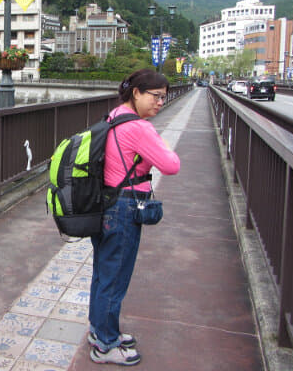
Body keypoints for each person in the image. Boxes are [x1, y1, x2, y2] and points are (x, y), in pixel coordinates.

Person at [88, 68, 181, 366]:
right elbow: (171, 165)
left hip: (105, 203)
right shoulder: (140, 128)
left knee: (104, 272)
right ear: (136, 92)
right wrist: (158, 144)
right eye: (155, 96)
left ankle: (100, 330)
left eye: (164, 99)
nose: (160, 103)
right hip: (124, 208)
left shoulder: (113, 116)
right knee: (115, 278)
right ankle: (105, 345)